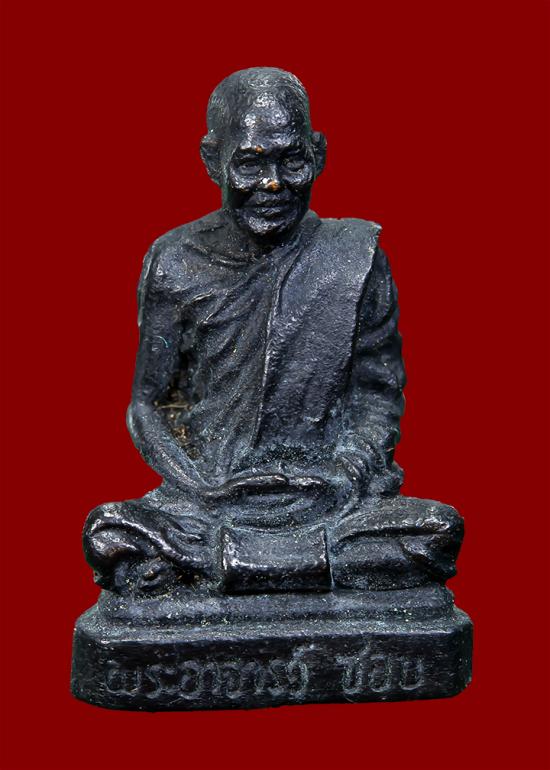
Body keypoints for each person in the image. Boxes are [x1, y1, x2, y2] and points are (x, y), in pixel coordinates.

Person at [84, 68, 462, 596]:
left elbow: (376, 398)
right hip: (211, 501)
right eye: (250, 164)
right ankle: (294, 563)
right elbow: (149, 405)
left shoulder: (352, 258)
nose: (273, 183)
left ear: (319, 155)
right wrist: (202, 486)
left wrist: (345, 472)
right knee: (109, 534)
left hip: (325, 497)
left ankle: (220, 565)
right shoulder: (174, 263)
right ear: (212, 161)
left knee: (436, 530)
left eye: (292, 160)